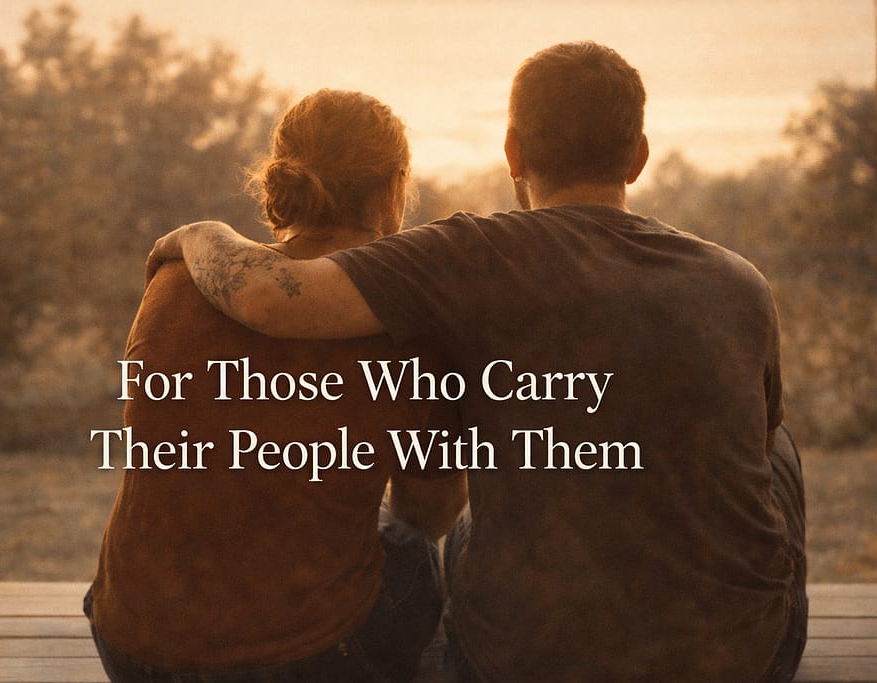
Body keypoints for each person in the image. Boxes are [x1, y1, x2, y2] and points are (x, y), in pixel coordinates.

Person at [147, 42, 808, 682]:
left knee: (469, 526)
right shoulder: (739, 281)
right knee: (775, 443)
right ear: (637, 156)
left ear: (514, 151)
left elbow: (268, 293)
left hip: (517, 664)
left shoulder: (467, 257)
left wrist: (195, 233)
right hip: (741, 660)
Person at [87, 89, 467, 683]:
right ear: (394, 186)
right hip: (301, 662)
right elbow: (429, 507)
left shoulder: (176, 279)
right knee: (415, 552)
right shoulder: (411, 329)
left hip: (131, 643)